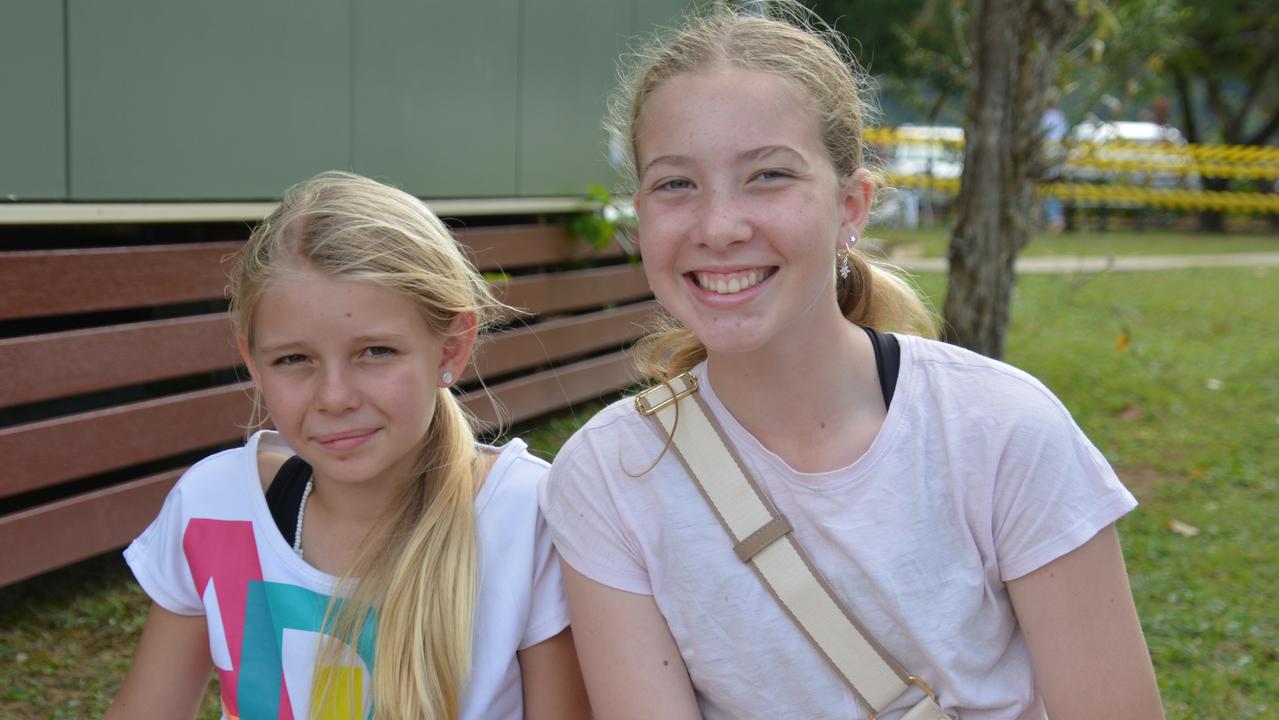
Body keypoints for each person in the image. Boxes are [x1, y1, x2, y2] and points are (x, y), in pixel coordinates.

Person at [538, 3, 1164, 719]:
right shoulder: (610, 476)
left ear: (852, 208)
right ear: (640, 213)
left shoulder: (1000, 430)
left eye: (768, 175)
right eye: (675, 184)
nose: (717, 226)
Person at [106, 172, 590, 720]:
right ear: (253, 361)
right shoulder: (214, 507)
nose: (334, 397)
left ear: (451, 348)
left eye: (375, 352)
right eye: (294, 359)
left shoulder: (525, 516)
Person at [1040, 91, 1069, 233]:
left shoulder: (1045, 116)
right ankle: (1055, 219)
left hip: (1046, 154)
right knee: (1051, 188)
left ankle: (1054, 219)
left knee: (1045, 188)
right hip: (1056, 155)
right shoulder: (1059, 116)